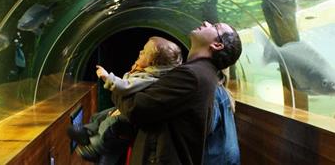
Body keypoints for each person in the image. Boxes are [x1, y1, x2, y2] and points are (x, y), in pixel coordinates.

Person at [111, 21, 242, 165]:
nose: (206, 22)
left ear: (217, 45)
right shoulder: (203, 74)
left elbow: (135, 108)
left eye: (215, 26)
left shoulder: (193, 75)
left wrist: (116, 86)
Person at [67, 36, 183, 164]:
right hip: (125, 111)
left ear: (152, 62)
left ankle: (94, 147)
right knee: (101, 116)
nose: (140, 52)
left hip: (130, 120)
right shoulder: (145, 71)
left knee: (111, 123)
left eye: (144, 52)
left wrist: (107, 77)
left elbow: (126, 87)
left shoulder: (149, 77)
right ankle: (87, 131)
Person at [204, 72, 240, 165]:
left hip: (215, 158)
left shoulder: (213, 94)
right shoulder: (225, 92)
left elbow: (209, 127)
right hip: (231, 154)